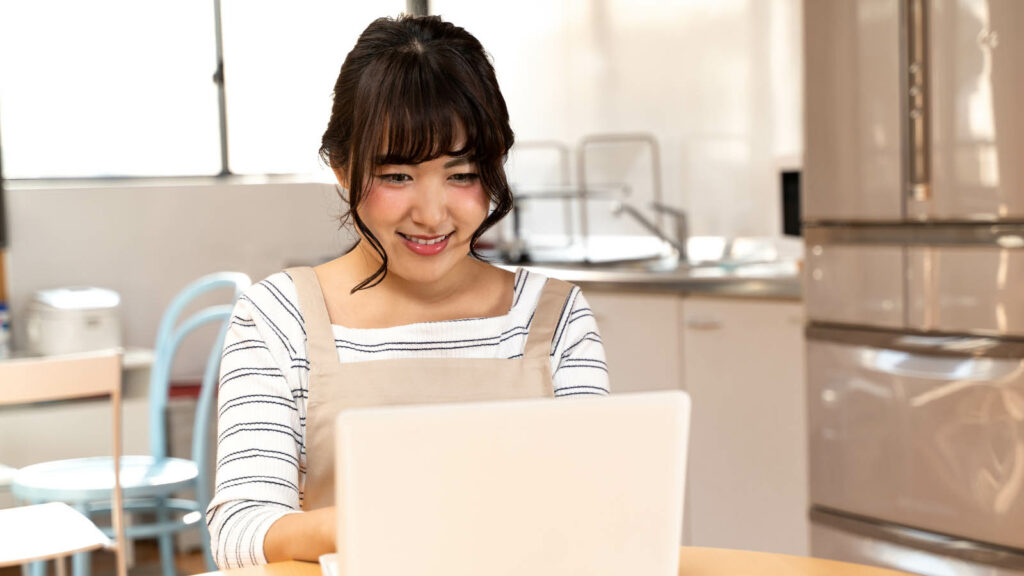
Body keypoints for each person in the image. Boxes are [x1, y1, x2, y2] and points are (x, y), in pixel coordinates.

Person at [205, 14, 609, 569]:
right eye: (397, 176)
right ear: (342, 171)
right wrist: (383, 522)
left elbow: (597, 512)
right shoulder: (279, 316)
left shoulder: (555, 318)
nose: (432, 212)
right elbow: (240, 531)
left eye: (462, 174)